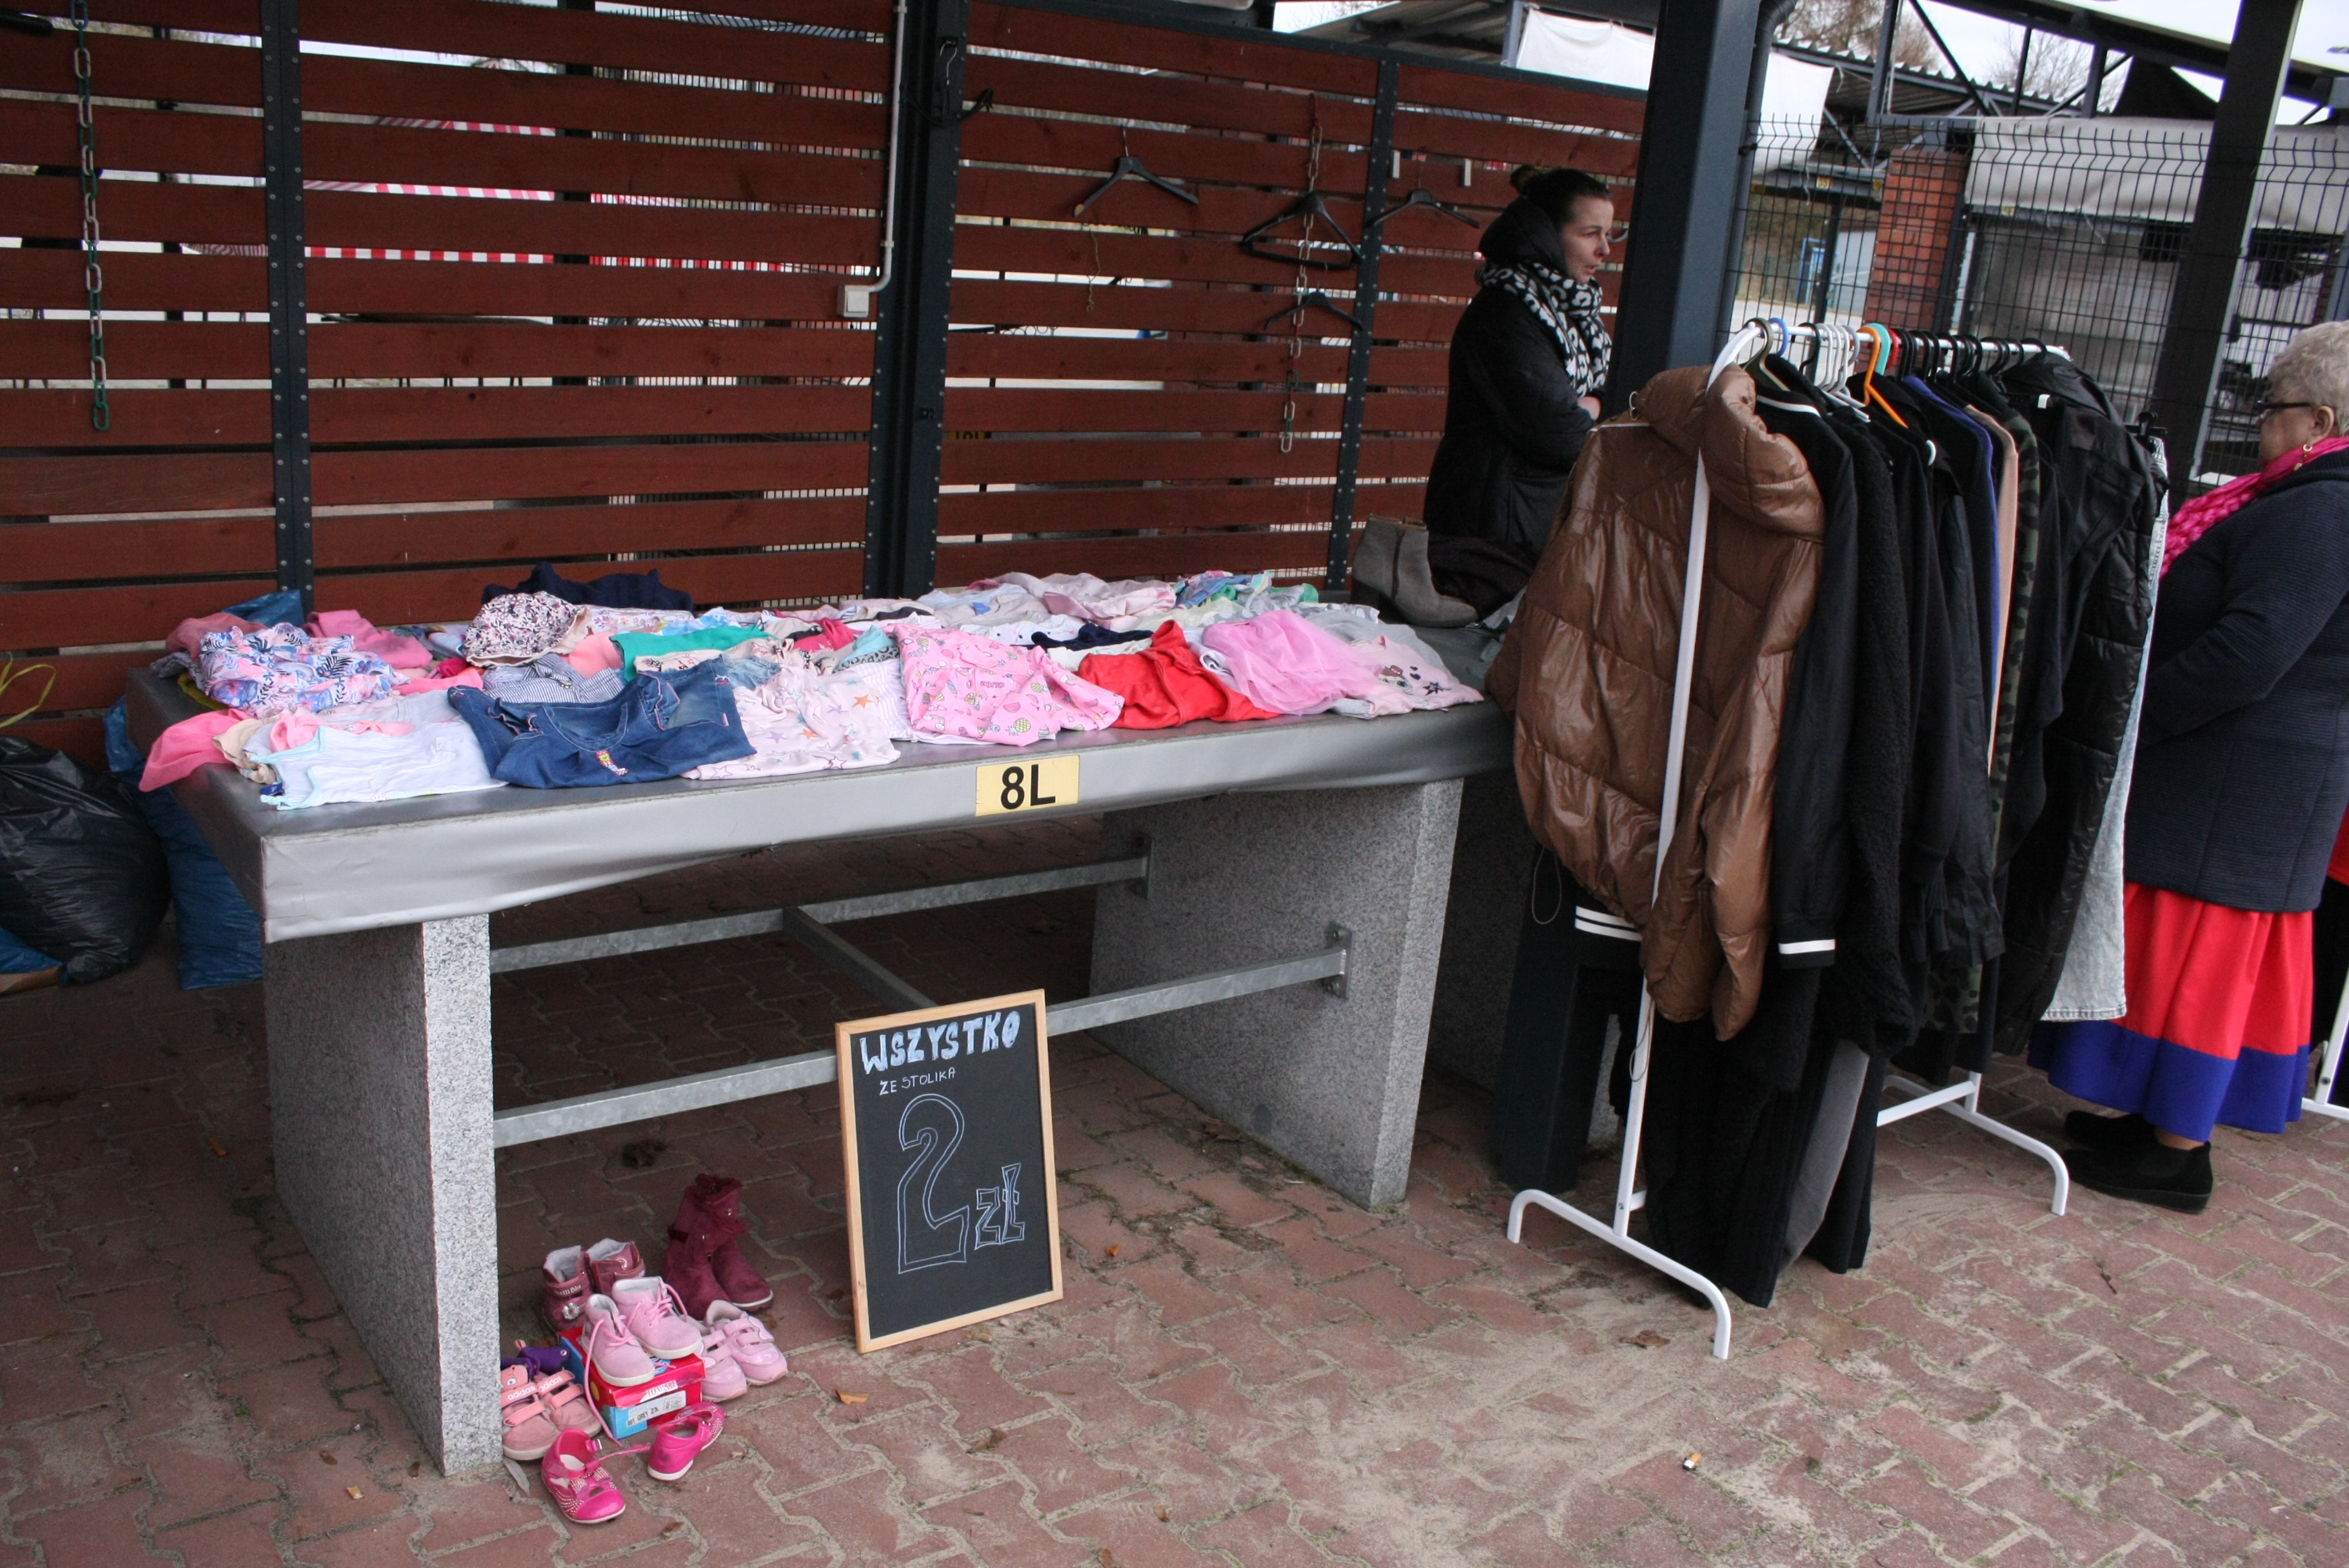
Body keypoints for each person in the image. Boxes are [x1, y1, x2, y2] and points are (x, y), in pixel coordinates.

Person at [2035, 321, 2349, 1212]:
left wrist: (2134, 720)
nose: (2261, 425)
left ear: (2319, 421)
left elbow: (2249, 652)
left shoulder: (2321, 509)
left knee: (2202, 969)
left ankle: (2178, 1152)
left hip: (2238, 784)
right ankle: (2155, 1124)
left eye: (2274, 409)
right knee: (2184, 965)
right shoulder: (2311, 499)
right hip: (2247, 781)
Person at [1421, 165, 1617, 568]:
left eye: (1609, 235)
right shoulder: (1506, 314)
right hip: (1493, 536)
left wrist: (1594, 402)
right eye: (1589, 234)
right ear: (1546, 236)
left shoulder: (1570, 312)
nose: (1605, 250)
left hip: (1529, 520)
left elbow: (1607, 402)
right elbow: (1561, 433)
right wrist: (1599, 406)